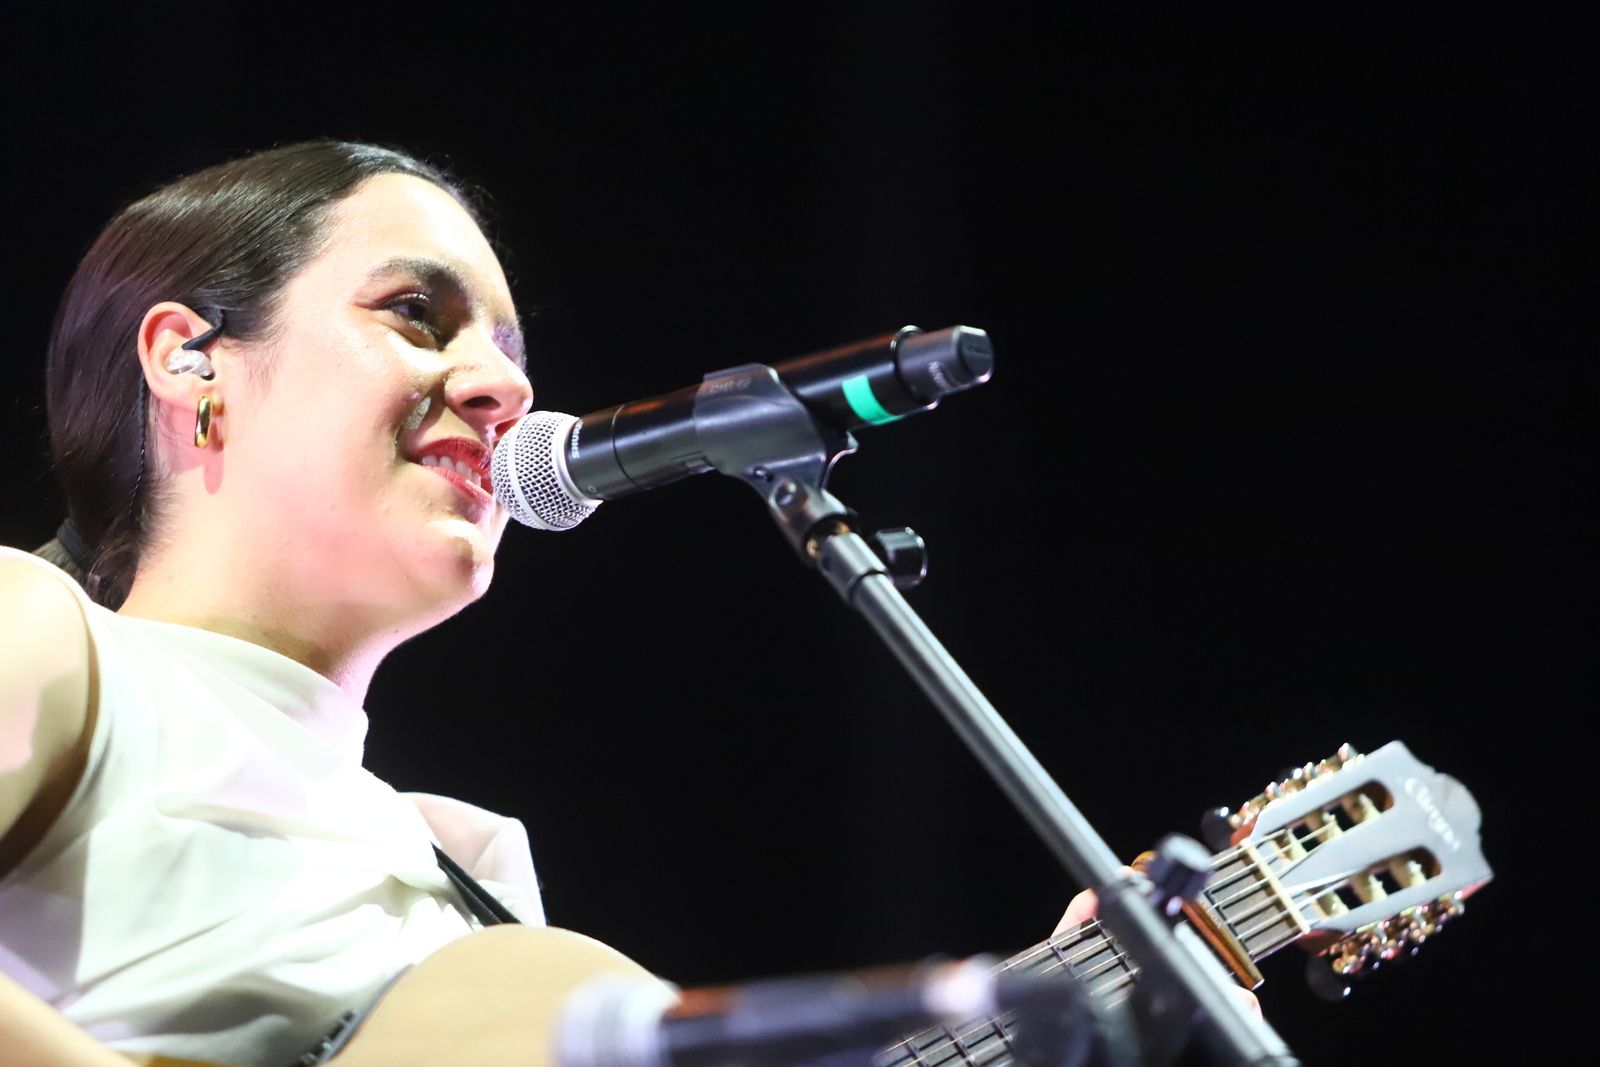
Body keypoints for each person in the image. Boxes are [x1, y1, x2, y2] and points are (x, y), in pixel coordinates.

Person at [0, 141, 1251, 1067]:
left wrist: (1040, 1014)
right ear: (187, 355)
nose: (499, 384)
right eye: (414, 312)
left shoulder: (469, 867)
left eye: (512, 351)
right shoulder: (52, 639)